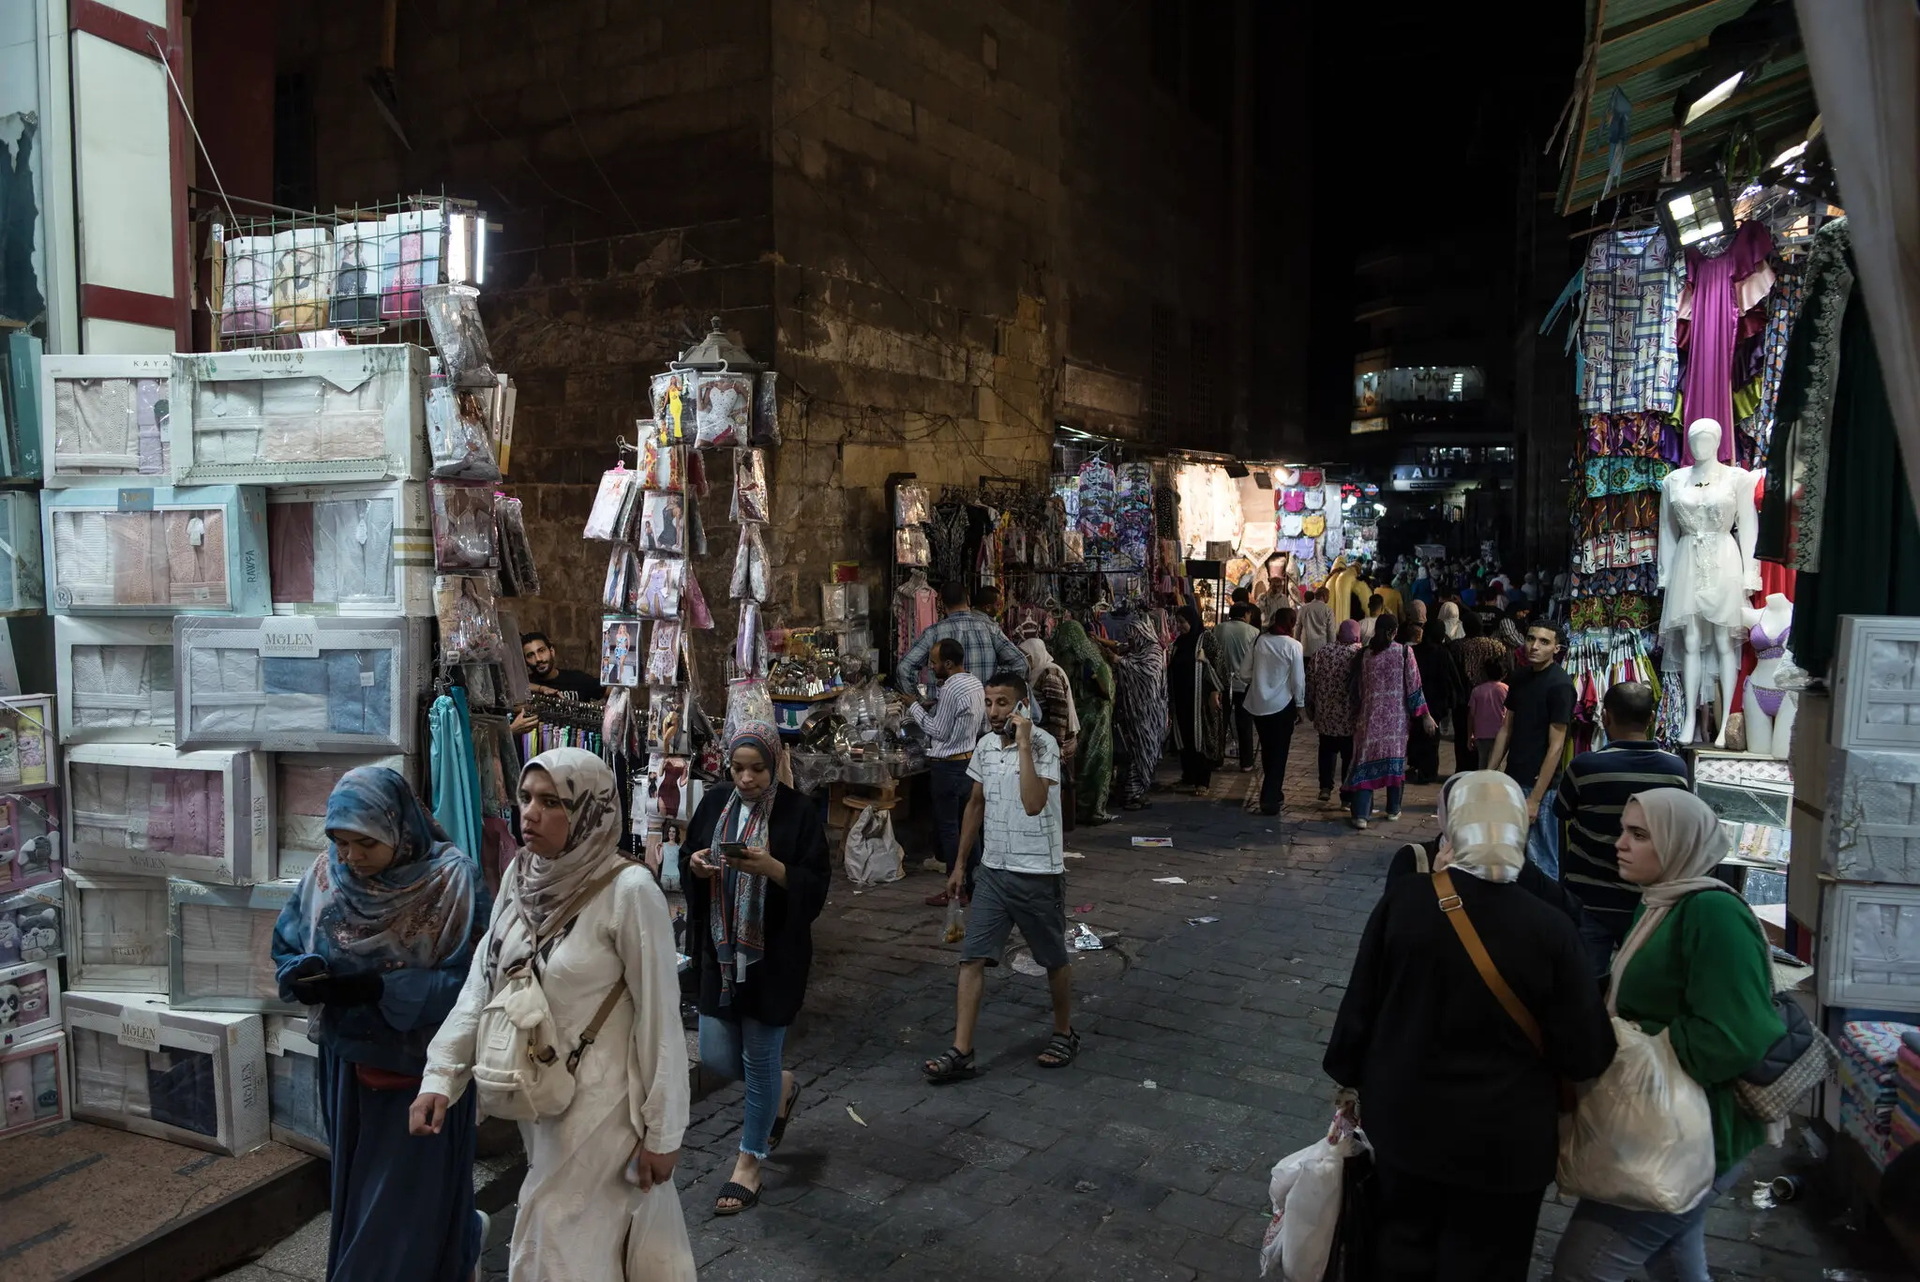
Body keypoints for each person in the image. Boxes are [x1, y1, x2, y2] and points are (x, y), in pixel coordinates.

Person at [414, 748, 692, 1280]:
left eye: (550, 801)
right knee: (588, 1246)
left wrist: (664, 1133)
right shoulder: (523, 876)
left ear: (589, 809)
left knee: (556, 1242)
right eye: (525, 798)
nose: (530, 813)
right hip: (540, 1096)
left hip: (605, 1109)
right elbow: (484, 981)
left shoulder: (629, 892)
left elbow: (661, 1018)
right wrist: (440, 1076)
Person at [1327, 771, 1616, 1282]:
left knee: (1400, 1252)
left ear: (1451, 827)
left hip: (1406, 1131)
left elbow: (1357, 1016)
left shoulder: (1407, 903)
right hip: (1506, 1148)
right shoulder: (1552, 928)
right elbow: (1586, 1053)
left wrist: (1353, 1079)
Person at [1552, 789, 1785, 1282]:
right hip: (1675, 1126)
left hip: (1694, 1131)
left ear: (1680, 842)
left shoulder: (1712, 914)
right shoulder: (1661, 901)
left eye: (1639, 835)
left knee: (1582, 1267)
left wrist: (1640, 1050)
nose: (1620, 844)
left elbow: (1735, 1035)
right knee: (1674, 1262)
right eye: (1623, 831)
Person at [272, 767, 489, 1282]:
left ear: (398, 827)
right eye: (340, 842)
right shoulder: (326, 876)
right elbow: (286, 943)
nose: (350, 857)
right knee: (362, 1192)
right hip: (348, 1066)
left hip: (424, 1071)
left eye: (364, 843)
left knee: (400, 1208)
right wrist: (302, 976)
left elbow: (479, 984)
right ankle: (456, 1252)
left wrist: (383, 988)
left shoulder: (452, 881)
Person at [681, 721, 831, 1215]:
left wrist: (771, 868)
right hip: (719, 954)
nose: (746, 780)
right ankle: (782, 1087)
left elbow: (816, 883)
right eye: (738, 768)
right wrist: (698, 865)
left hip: (773, 957)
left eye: (758, 770)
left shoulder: (797, 812)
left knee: (758, 1058)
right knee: (719, 1057)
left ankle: (749, 1162)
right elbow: (688, 857)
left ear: (774, 765)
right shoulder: (714, 801)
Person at [923, 673, 1076, 1082]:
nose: (993, 712)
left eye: (1003, 703)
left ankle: (1064, 1031)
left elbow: (1032, 802)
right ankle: (962, 1049)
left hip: (1037, 872)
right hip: (992, 870)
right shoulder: (985, 747)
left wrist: (1024, 742)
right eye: (989, 703)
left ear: (1022, 706)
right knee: (971, 957)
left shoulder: (1043, 744)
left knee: (1053, 958)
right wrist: (958, 866)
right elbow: (975, 805)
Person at [1553, 683, 1692, 977]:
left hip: (1589, 897)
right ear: (1651, 717)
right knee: (1638, 986)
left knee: (1585, 985)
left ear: (1605, 717)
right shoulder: (1676, 770)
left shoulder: (1584, 767)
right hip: (1647, 900)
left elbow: (1561, 813)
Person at [1486, 620, 1576, 879]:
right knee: (1510, 852)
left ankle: (1545, 914)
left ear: (1556, 649)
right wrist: (1489, 774)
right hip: (1513, 777)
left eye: (1544, 642)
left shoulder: (1560, 685)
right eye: (1531, 638)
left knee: (1542, 862)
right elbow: (1506, 728)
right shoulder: (1519, 676)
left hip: (1541, 787)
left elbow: (1557, 745)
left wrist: (1535, 799)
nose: (1534, 646)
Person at [910, 638, 985, 909]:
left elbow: (938, 731)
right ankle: (975, 884)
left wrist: (914, 707)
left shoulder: (952, 687)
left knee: (950, 829)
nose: (931, 667)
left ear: (949, 663)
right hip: (968, 762)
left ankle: (957, 886)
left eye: (934, 662)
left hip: (948, 765)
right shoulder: (974, 682)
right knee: (970, 827)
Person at [1347, 615, 1435, 830]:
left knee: (1365, 762)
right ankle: (1393, 809)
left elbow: (1358, 690)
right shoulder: (1404, 653)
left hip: (1369, 720)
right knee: (1395, 762)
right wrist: (1425, 715)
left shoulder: (1365, 655)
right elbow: (1414, 686)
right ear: (1395, 631)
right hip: (1396, 722)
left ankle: (1361, 815)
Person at [893, 581, 1027, 696]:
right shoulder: (989, 629)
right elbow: (1021, 663)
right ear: (968, 599)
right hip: (984, 713)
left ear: (940, 604)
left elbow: (904, 668)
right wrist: (995, 678)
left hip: (943, 715)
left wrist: (917, 700)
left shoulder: (932, 633)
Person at [1239, 607, 1307, 815]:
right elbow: (1298, 680)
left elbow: (1243, 672)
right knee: (1279, 753)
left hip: (1258, 705)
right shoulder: (1293, 646)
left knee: (1268, 750)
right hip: (1281, 706)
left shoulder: (1260, 641)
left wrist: (1260, 681)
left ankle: (1274, 792)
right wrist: (1300, 705)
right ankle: (1269, 797)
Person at [1052, 620, 1115, 825]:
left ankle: (1083, 808)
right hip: (1089, 718)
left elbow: (1104, 690)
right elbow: (1105, 690)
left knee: (1085, 762)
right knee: (1089, 761)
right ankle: (1087, 808)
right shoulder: (1086, 655)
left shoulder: (1069, 657)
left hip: (1084, 717)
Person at [1111, 610, 1168, 810]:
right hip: (1135, 712)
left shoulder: (1152, 651)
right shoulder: (1138, 650)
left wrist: (1120, 662)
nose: (1130, 639)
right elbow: (1121, 648)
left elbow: (1147, 672)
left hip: (1148, 712)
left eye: (1133, 635)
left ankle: (1135, 793)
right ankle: (1131, 793)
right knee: (1134, 752)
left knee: (1143, 750)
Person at [1167, 604, 1226, 792]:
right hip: (1182, 698)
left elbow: (1219, 666)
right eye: (1178, 622)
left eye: (1183, 622)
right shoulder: (1179, 642)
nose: (1180, 626)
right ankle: (1188, 776)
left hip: (1200, 700)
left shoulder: (1206, 639)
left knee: (1200, 738)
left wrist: (1205, 663)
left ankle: (1203, 781)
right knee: (1185, 737)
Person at [1021, 635, 1079, 826]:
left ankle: (1056, 827)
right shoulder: (1039, 672)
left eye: (1027, 657)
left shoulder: (1049, 674)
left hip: (1056, 740)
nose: (1025, 661)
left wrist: (1057, 745)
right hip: (1050, 740)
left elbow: (1059, 712)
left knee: (1056, 785)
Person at [1306, 619, 1363, 805]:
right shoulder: (1358, 654)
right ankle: (1346, 796)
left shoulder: (1322, 652)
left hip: (1326, 715)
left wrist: (1311, 708)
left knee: (1326, 750)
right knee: (1349, 756)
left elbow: (1311, 682)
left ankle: (1325, 787)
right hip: (1349, 718)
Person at [1449, 610, 1509, 771]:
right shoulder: (1496, 646)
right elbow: (1506, 668)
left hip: (1463, 699)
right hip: (1492, 700)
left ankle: (1464, 770)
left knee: (1463, 737)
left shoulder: (1456, 647)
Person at [1405, 621, 1458, 785]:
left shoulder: (1414, 651)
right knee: (1431, 739)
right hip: (1436, 703)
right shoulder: (1443, 653)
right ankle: (1427, 772)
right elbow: (1451, 679)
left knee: (1415, 735)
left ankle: (1415, 766)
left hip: (1415, 700)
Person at [1216, 603, 1262, 771]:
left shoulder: (1218, 629)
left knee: (1220, 723)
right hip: (1244, 685)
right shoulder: (1254, 632)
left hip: (1221, 684)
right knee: (1245, 724)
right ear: (1246, 614)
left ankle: (1217, 759)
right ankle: (1246, 762)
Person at [521, 631, 604, 699]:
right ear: (525, 661)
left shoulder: (577, 679)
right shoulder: (524, 686)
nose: (538, 659)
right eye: (530, 655)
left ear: (552, 652)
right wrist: (541, 689)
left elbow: (610, 691)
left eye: (541, 651)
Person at [1466, 657, 1510, 772]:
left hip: (1481, 734)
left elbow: (1471, 715)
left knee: (1482, 764)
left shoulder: (1477, 691)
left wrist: (1469, 735)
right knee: (1497, 766)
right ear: (1504, 674)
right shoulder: (1506, 690)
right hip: (1500, 734)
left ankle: (1482, 787)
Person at [1297, 587, 1337, 657]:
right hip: (1322, 650)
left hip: (1306, 648)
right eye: (1328, 596)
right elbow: (1331, 632)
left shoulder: (1303, 608)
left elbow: (1298, 628)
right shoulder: (1328, 610)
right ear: (1324, 596)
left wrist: (1297, 643)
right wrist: (1332, 649)